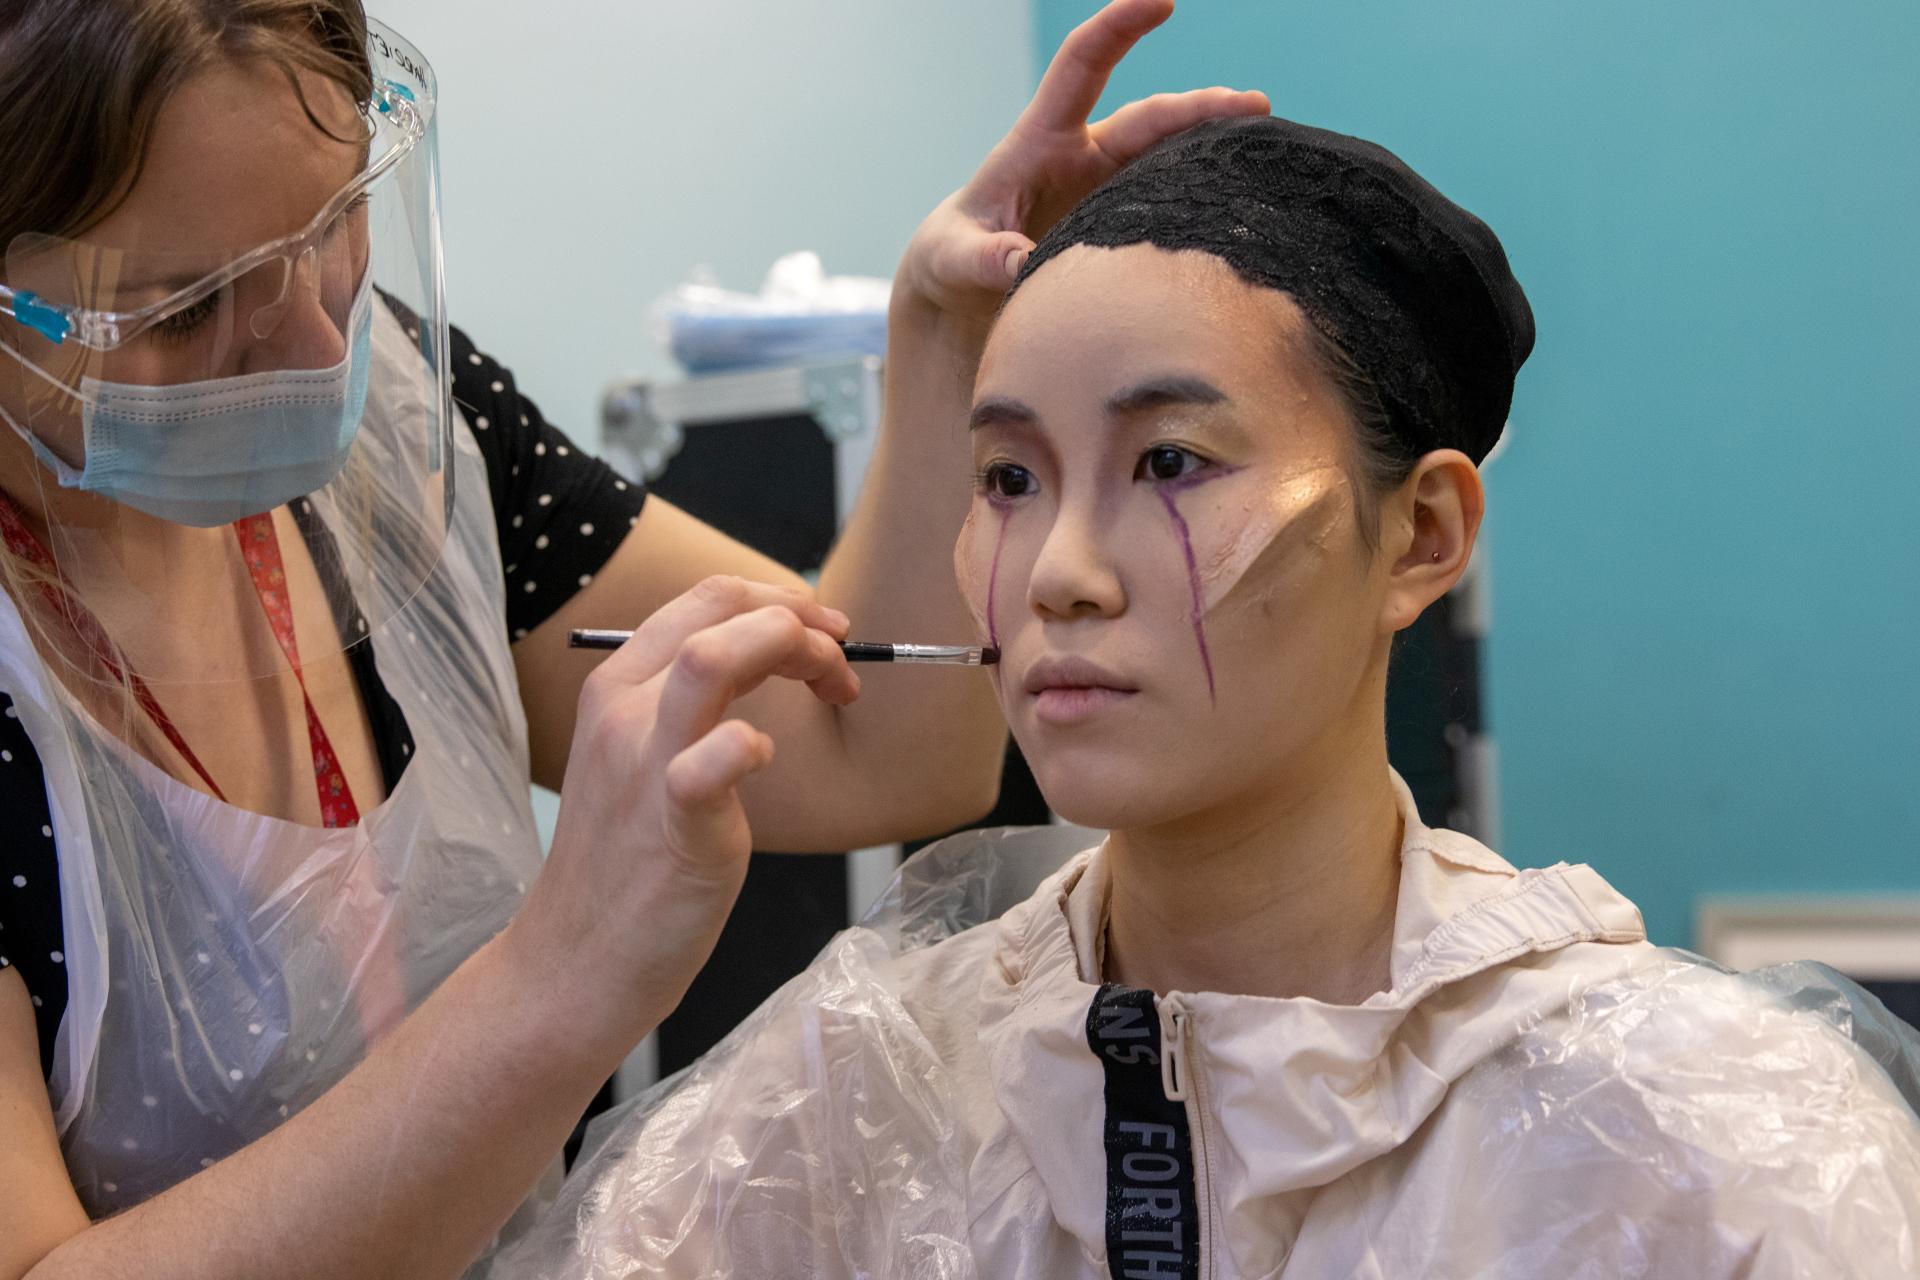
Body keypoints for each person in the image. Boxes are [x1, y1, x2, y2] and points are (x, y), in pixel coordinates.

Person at [500, 115, 1920, 1278]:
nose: (1056, 572)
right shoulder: (842, 1103)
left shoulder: (1705, 1146)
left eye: (1171, 463)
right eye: (1008, 479)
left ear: (1420, 535)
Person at [0, 1, 1272, 1275]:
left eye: (334, 224)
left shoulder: (408, 417)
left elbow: (882, 744)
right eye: (187, 312)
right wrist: (561, 975)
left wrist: (945, 336)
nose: (316, 342)